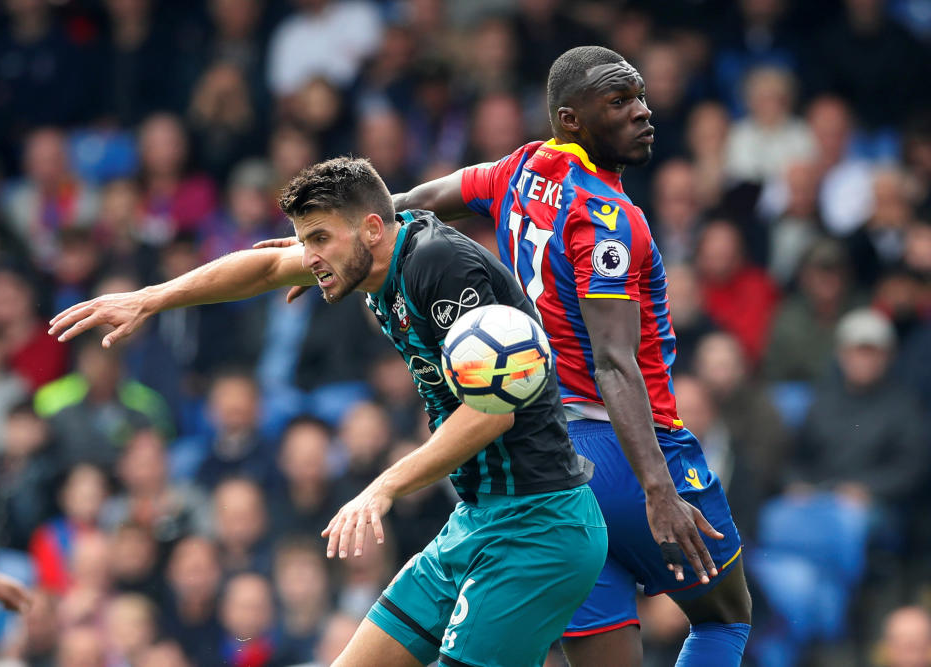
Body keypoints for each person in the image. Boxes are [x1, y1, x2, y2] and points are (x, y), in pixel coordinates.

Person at [48, 156, 607, 667]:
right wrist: (152, 298)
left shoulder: (440, 268)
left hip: (540, 525)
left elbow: (491, 413)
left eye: (318, 238)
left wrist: (381, 488)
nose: (308, 256)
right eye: (302, 240)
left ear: (370, 228)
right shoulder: (366, 257)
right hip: (478, 520)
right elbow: (265, 269)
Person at [386, 46, 752, 666]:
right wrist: (658, 489)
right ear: (571, 118)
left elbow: (429, 196)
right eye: (619, 102)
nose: (642, 112)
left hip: (553, 466)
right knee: (723, 622)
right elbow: (613, 363)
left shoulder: (523, 166)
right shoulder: (610, 218)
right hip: (632, 453)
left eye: (639, 96)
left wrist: (353, 230)